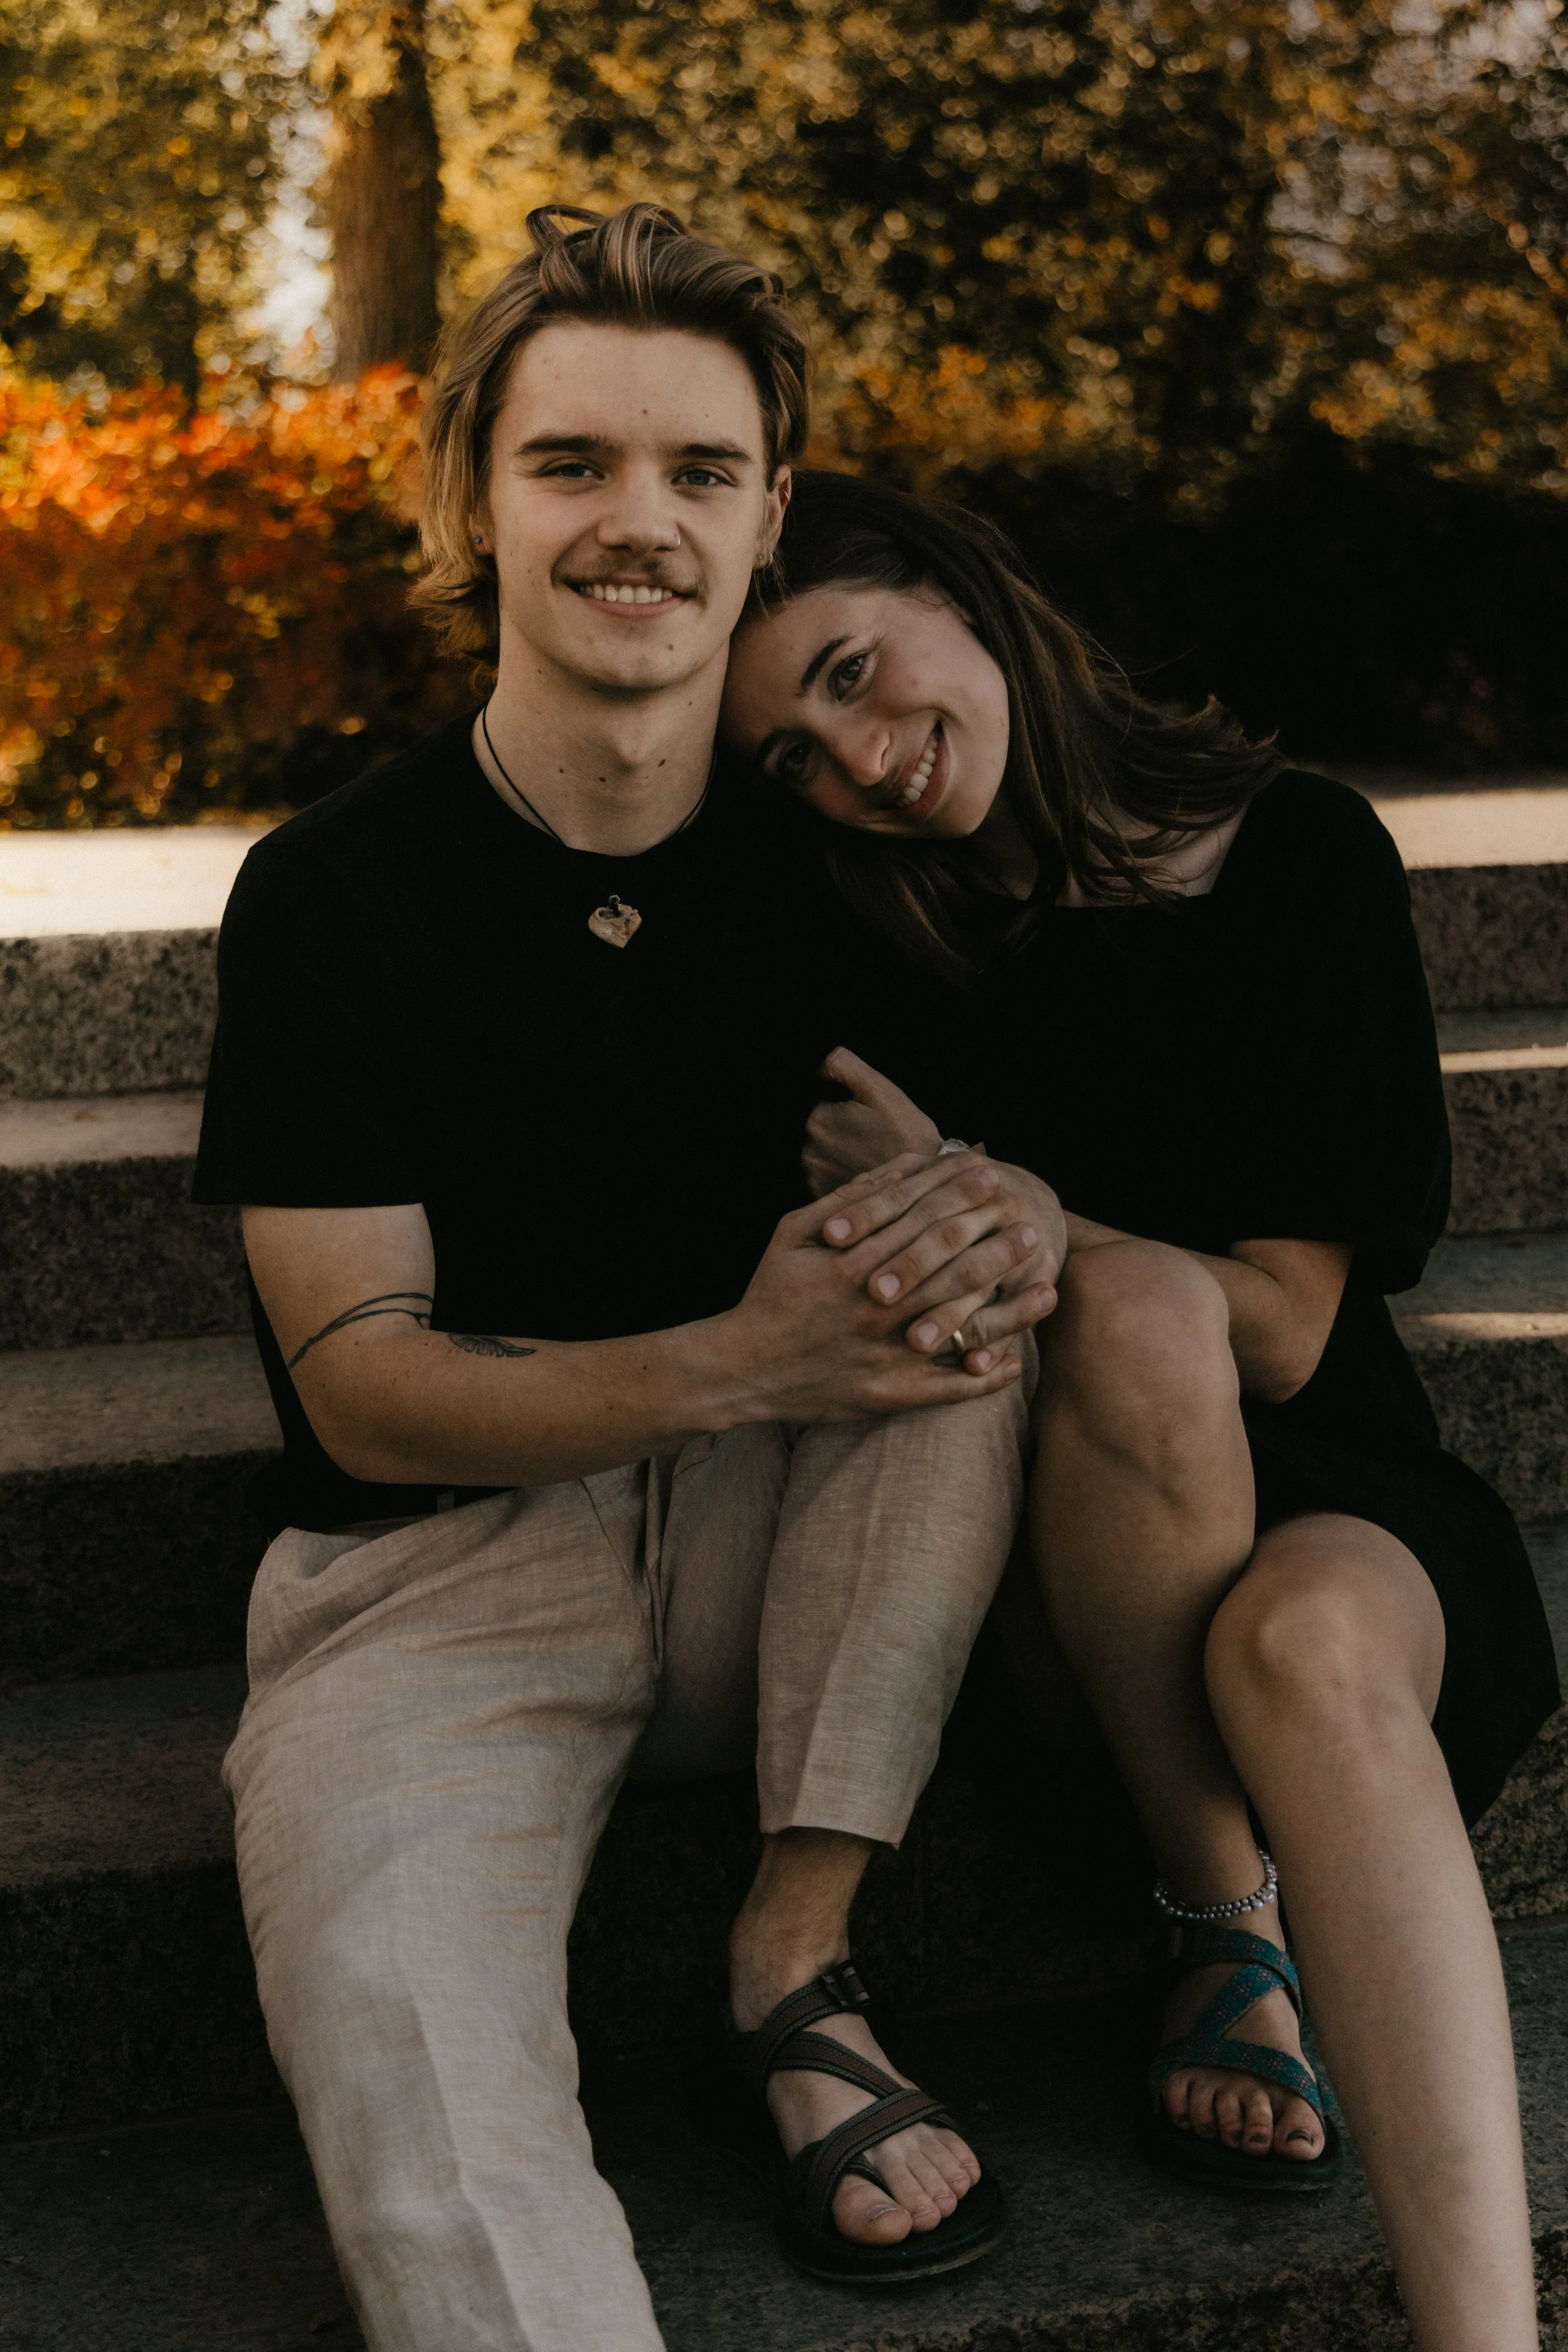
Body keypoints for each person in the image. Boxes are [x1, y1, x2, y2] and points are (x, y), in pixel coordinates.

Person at [193, 216, 1070, 2347]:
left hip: (787, 1554)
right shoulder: (331, 896)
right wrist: (735, 1353)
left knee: (954, 1264)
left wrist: (1028, 1215)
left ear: (771, 515)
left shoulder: (858, 864)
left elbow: (991, 1241)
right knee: (427, 2110)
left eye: (698, 472)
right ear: (472, 496)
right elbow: (364, 1395)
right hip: (428, 1583)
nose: (637, 524)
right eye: (573, 463)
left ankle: (795, 1948)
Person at [719, 467, 1562, 2352]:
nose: (859, 757)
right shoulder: (866, 941)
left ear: (953, 586)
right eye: (791, 752)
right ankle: (1215, 1908)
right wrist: (1012, 1227)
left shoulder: (1297, 856)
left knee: (1302, 1620)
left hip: (1339, 1490)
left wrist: (1006, 1194)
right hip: (1053, 1581)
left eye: (857, 671)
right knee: (1129, 1310)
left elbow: (1282, 1329)